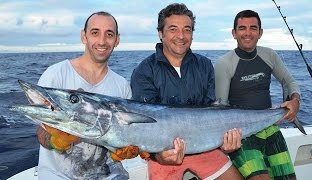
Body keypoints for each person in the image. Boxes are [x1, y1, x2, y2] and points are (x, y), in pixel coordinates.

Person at [131, 3, 243, 180]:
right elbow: (144, 127)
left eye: (187, 30)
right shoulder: (144, 71)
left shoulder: (204, 65)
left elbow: (211, 111)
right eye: (173, 29)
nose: (181, 36)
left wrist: (225, 143)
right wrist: (159, 155)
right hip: (163, 155)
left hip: (204, 150)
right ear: (161, 33)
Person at [36, 11, 133, 179]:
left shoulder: (122, 86)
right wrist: (54, 141)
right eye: (95, 33)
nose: (102, 41)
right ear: (84, 36)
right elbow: (41, 130)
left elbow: (126, 136)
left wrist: (127, 149)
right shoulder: (55, 74)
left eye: (109, 34)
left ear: (117, 40)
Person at [214, 9, 300, 180]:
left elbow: (289, 82)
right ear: (234, 33)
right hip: (242, 134)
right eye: (242, 28)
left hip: (270, 127)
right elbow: (219, 109)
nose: (248, 33)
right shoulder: (224, 63)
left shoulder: (269, 55)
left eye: (253, 28)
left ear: (260, 33)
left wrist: (295, 100)